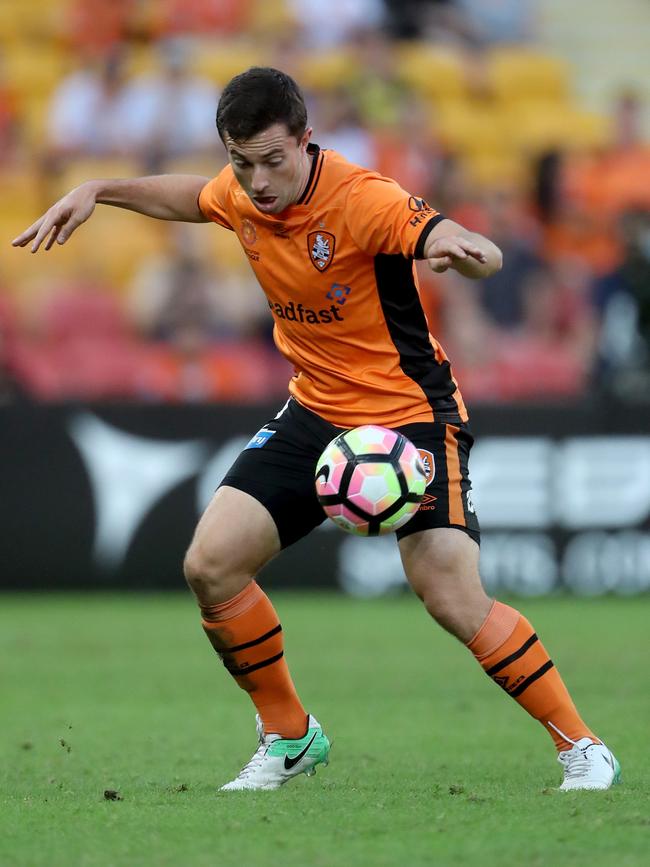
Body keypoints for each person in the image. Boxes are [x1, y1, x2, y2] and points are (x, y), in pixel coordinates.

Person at [12, 67, 619, 793]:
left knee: (451, 595)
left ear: (307, 141)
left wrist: (471, 251)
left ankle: (581, 745)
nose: (259, 181)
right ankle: (290, 735)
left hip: (408, 414)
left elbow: (435, 230)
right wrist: (99, 190)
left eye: (274, 160)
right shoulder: (239, 189)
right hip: (315, 410)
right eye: (244, 163)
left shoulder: (362, 199)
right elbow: (193, 196)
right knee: (210, 565)